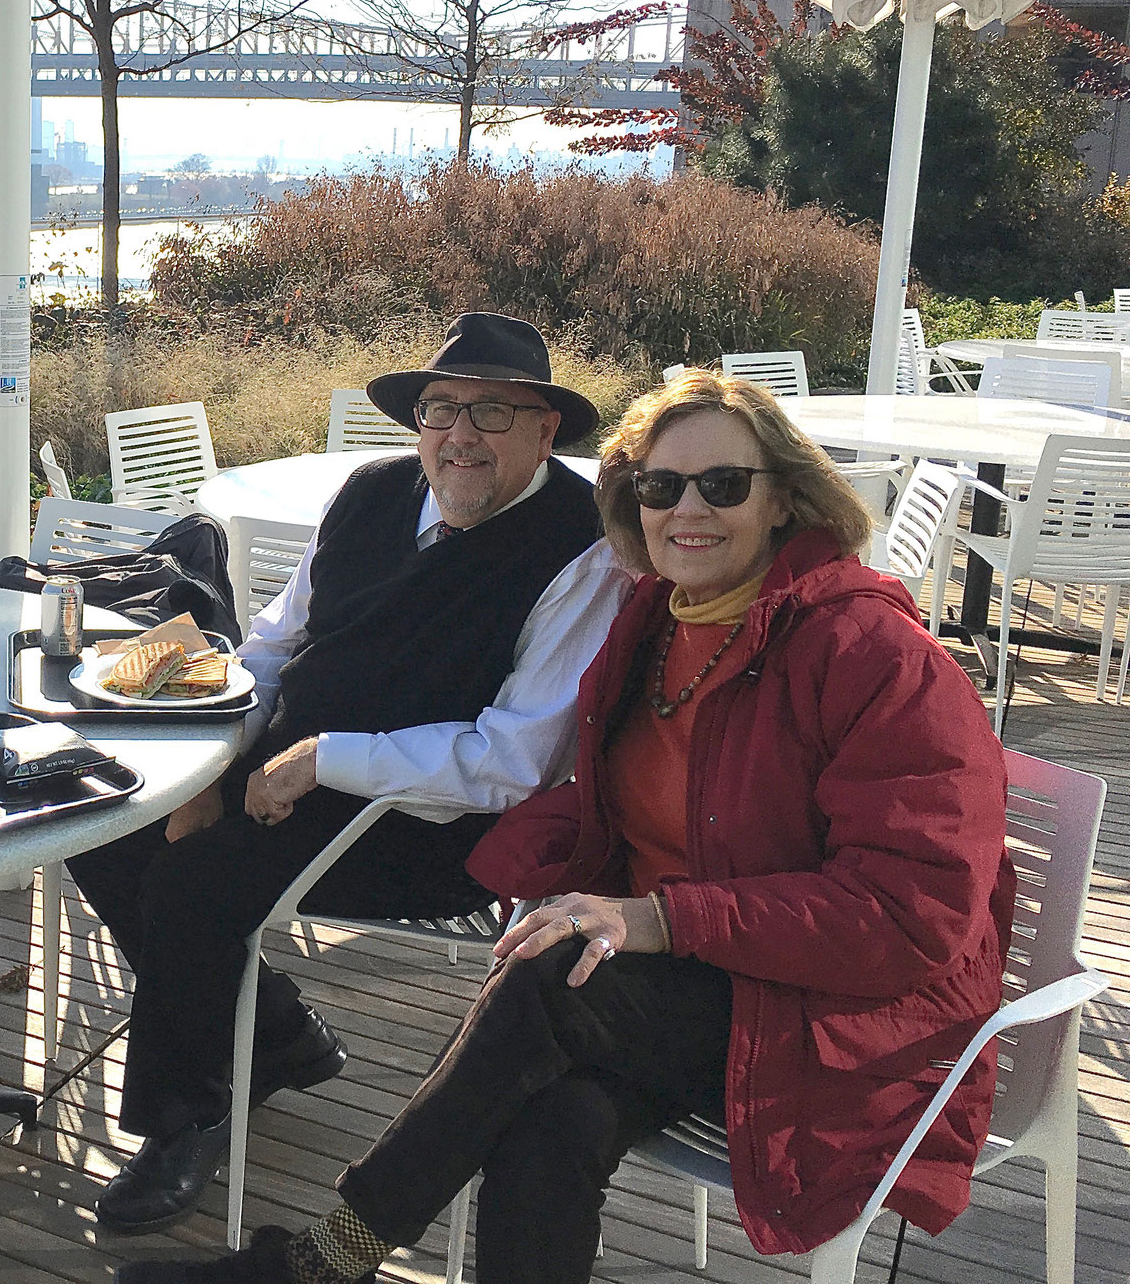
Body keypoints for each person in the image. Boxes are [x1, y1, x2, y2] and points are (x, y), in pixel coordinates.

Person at [124, 369, 1013, 1284]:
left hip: (837, 1022)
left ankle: (320, 1262)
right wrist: (550, 878)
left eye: (724, 483)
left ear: (786, 496)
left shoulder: (873, 656)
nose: (687, 509)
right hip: (682, 991)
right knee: (556, 1118)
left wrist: (660, 920)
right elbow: (599, 797)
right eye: (660, 488)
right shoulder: (657, 624)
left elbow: (916, 915)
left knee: (550, 976)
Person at [68, 312, 634, 1233]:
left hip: (430, 822)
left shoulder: (581, 548)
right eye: (442, 408)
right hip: (282, 766)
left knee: (190, 885)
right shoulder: (369, 492)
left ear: (545, 431)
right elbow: (273, 647)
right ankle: (280, 1034)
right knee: (100, 816)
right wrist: (214, 761)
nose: (460, 437)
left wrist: (326, 760)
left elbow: (511, 760)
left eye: (495, 415)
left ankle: (194, 1105)